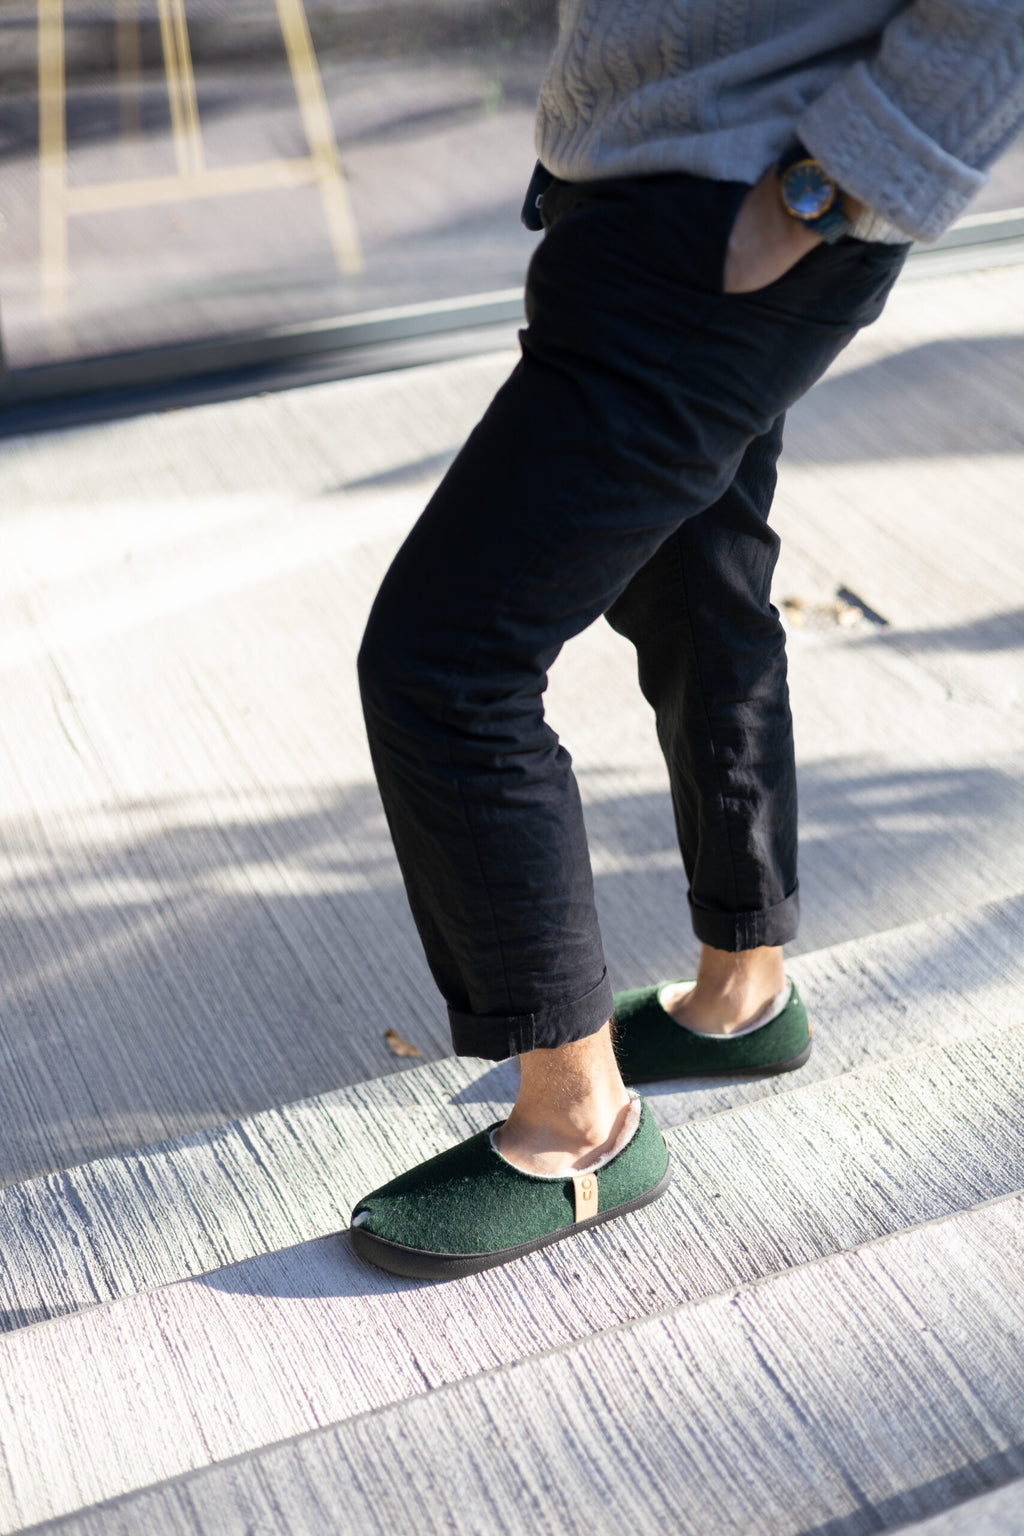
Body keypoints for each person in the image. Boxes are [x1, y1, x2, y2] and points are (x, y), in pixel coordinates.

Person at [349, 1, 1024, 1278]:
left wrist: (828, 190)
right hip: (674, 200)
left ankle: (578, 1130)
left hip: (734, 213)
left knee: (449, 660)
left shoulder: (783, 200)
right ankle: (740, 992)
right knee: (696, 587)